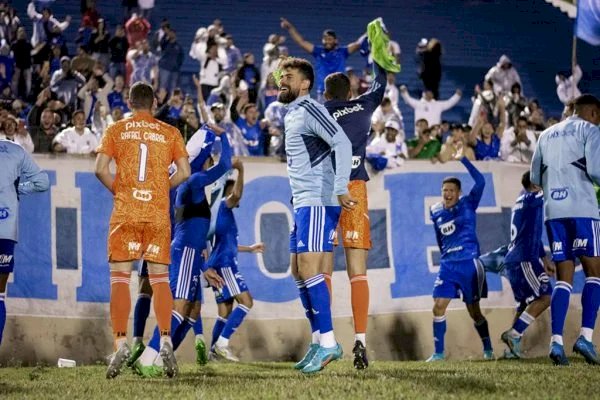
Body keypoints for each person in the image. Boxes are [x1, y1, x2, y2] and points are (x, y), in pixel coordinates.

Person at [95, 82, 191, 379]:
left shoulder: (116, 129)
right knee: (160, 281)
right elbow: (185, 172)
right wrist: (162, 189)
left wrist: (121, 191)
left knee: (120, 280)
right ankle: (164, 339)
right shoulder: (170, 132)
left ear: (129, 101)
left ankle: (121, 342)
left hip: (126, 212)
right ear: (153, 102)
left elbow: (99, 168)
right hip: (157, 214)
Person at [132, 125, 229, 377]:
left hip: (190, 252)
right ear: (203, 158)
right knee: (179, 307)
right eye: (208, 158)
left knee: (189, 311)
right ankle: (148, 358)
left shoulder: (190, 183)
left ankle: (160, 356)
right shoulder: (194, 179)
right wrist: (224, 136)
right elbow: (225, 165)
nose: (211, 162)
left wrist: (203, 265)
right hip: (185, 251)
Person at [278, 57, 354, 374]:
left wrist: (339, 187)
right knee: (298, 270)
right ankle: (317, 340)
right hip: (304, 200)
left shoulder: (311, 109)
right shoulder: (292, 112)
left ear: (305, 83)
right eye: (281, 76)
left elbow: (342, 141)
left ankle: (329, 344)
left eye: (289, 76)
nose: (282, 80)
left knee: (309, 268)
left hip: (319, 200)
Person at [322, 53, 394, 369]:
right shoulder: (363, 106)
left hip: (326, 190)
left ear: (326, 94)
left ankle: (321, 341)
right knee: (357, 271)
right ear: (350, 93)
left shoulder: (319, 112)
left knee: (320, 267)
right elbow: (381, 84)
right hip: (354, 188)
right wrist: (377, 57)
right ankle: (361, 341)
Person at [530, 94, 600, 366]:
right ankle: (584, 336)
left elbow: (535, 177)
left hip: (554, 212)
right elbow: (596, 171)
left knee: (563, 277)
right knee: (595, 272)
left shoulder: (545, 134)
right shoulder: (590, 130)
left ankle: (556, 342)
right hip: (582, 208)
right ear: (592, 112)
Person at [427, 154, 493, 362]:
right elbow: (440, 237)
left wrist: (463, 158)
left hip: (469, 264)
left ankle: (488, 349)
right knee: (438, 306)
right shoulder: (435, 210)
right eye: (444, 190)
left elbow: (481, 181)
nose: (447, 194)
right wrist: (445, 254)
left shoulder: (468, 203)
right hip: (448, 265)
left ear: (459, 193)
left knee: (474, 311)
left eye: (451, 190)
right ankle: (438, 354)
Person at [208, 159, 265, 361]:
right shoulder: (223, 206)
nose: (237, 195)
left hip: (218, 264)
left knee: (224, 310)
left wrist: (249, 249)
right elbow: (237, 194)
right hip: (225, 266)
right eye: (232, 191)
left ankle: (212, 354)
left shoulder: (219, 213)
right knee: (246, 301)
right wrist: (241, 170)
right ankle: (222, 344)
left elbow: (223, 243)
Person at [497, 171, 553, 359]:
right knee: (545, 297)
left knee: (523, 304)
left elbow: (532, 234)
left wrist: (544, 259)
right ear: (536, 184)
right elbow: (551, 189)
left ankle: (512, 351)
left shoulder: (522, 198)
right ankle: (514, 335)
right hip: (524, 259)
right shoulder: (533, 197)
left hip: (516, 259)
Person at [0, 139, 50, 348]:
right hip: (5, 229)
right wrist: (16, 189)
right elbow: (43, 182)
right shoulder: (15, 150)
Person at [280, 18, 363, 99]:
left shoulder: (342, 52)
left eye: (330, 39)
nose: (327, 42)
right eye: (325, 39)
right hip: (324, 92)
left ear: (336, 41)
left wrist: (371, 29)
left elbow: (358, 43)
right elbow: (301, 42)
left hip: (340, 91)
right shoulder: (318, 52)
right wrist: (290, 27)